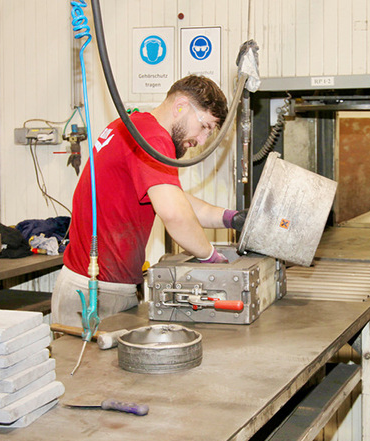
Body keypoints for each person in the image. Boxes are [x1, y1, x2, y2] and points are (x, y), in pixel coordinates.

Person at [52, 75, 247, 328]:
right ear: (181, 106)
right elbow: (175, 214)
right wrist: (211, 258)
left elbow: (177, 200)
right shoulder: (153, 137)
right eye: (205, 127)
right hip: (95, 294)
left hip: (98, 287)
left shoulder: (135, 126)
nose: (200, 142)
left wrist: (231, 218)